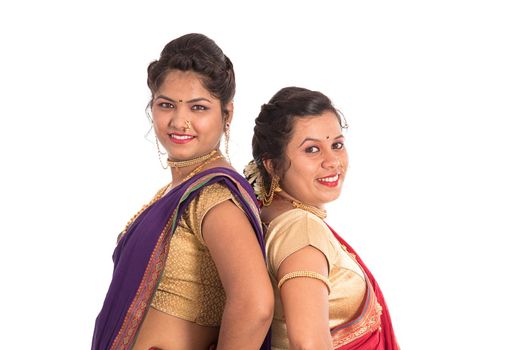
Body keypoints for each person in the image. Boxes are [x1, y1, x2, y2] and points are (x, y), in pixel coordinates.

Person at [92, 33, 273, 350]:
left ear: (226, 115)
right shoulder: (177, 190)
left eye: (198, 107)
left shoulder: (214, 197)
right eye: (166, 105)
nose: (179, 121)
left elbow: (255, 307)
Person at [244, 87, 399, 350]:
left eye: (337, 145)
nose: (333, 161)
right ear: (272, 165)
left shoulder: (272, 216)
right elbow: (308, 343)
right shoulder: (300, 227)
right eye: (312, 149)